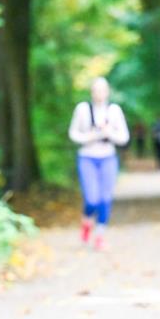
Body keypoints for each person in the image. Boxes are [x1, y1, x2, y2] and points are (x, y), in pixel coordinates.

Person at [68, 77, 129, 251]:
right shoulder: (83, 109)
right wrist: (91, 136)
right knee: (91, 199)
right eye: (96, 90)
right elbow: (73, 134)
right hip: (87, 157)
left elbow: (124, 138)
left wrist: (109, 133)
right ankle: (87, 220)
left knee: (105, 198)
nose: (99, 94)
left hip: (108, 157)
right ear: (92, 92)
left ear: (107, 91)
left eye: (103, 90)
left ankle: (100, 235)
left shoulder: (114, 111)